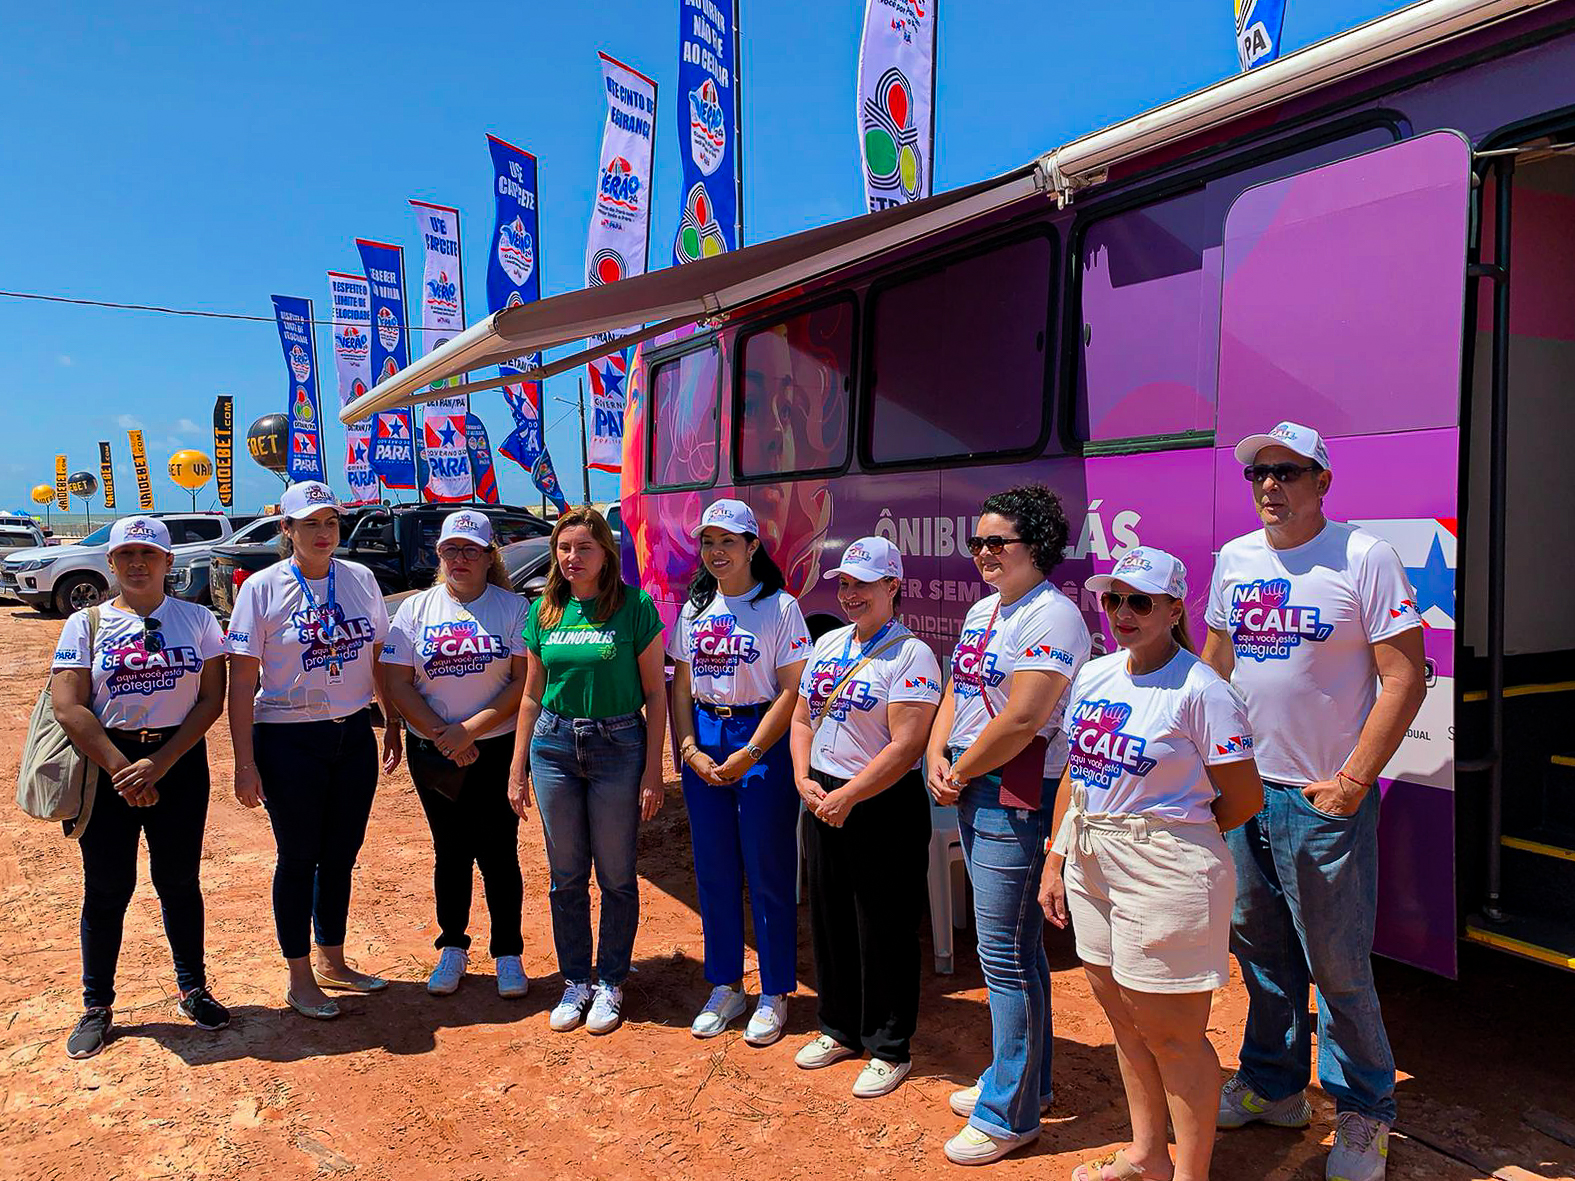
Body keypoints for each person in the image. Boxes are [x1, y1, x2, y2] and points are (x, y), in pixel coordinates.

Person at [1203, 422, 1426, 1181]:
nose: (1270, 485)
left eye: (1288, 471)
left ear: (1322, 481)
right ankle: (1273, 1086)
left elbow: (1404, 677)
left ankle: (1364, 1109)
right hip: (1243, 792)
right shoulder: (1235, 558)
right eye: (1258, 473)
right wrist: (1208, 770)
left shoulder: (1364, 556)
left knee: (1337, 966)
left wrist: (1353, 781)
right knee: (1260, 953)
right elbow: (1214, 670)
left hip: (1319, 799)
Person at [1040, 547, 1265, 1181]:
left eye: (1140, 601)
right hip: (1091, 856)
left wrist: (1170, 841)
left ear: (1174, 609)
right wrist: (1057, 856)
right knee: (1126, 1021)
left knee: (1174, 1036)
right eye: (1113, 599)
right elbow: (1078, 775)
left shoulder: (1202, 689)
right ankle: (1147, 1155)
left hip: (1165, 870)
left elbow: (1243, 798)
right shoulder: (1094, 674)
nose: (1123, 612)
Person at [925, 484, 1092, 1166]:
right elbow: (956, 690)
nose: (984, 553)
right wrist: (936, 753)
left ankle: (1008, 1115)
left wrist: (959, 768)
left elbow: (1025, 717)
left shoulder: (1054, 615)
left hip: (1014, 790)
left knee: (1004, 956)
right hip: (974, 781)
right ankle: (1025, 1082)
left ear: (1037, 545)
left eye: (998, 541)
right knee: (1014, 952)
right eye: (978, 542)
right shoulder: (983, 609)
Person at [50, 516, 229, 1059]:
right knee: (107, 888)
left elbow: (211, 700)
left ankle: (193, 989)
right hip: (107, 767)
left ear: (168, 562)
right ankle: (96, 1005)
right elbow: (68, 705)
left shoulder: (197, 619)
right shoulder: (85, 624)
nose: (137, 563)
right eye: (126, 554)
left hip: (178, 763)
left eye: (148, 554)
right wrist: (120, 768)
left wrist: (160, 763)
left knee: (179, 881)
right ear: (110, 562)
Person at [227, 480, 401, 1021]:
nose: (323, 533)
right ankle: (299, 977)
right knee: (299, 857)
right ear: (287, 529)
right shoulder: (261, 588)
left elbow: (377, 655)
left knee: (341, 855)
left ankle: (333, 960)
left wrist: (391, 721)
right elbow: (241, 682)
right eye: (309, 524)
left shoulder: (360, 579)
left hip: (352, 735)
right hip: (287, 738)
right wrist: (244, 763)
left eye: (330, 522)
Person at [788, 537, 941, 1098]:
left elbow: (907, 745)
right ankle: (839, 1028)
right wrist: (802, 777)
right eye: (845, 584)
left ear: (893, 586)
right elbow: (801, 717)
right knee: (830, 918)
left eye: (863, 585)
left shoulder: (912, 655)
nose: (850, 595)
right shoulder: (829, 642)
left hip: (881, 801)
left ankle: (889, 1045)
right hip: (822, 793)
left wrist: (850, 794)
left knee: (884, 925)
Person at [509, 506, 666, 1035]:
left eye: (584, 547)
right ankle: (576, 980)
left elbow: (655, 693)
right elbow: (531, 695)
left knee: (617, 874)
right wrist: (517, 769)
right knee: (566, 876)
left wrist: (653, 770)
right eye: (564, 547)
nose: (572, 557)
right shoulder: (544, 610)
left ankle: (611, 981)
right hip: (553, 747)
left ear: (606, 553)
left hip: (618, 746)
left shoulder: (634, 606)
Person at [669, 498, 810, 1045]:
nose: (716, 552)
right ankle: (726, 984)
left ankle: (774, 991)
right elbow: (681, 686)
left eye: (728, 541)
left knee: (768, 868)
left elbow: (794, 690)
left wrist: (751, 752)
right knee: (714, 870)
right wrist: (688, 747)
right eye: (708, 542)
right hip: (705, 741)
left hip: (760, 742)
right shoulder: (695, 607)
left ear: (752, 546)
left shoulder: (779, 607)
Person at [384, 510, 530, 999]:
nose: (460, 558)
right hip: (434, 751)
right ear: (439, 554)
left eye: (471, 550)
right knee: (450, 851)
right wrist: (443, 736)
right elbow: (398, 683)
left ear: (490, 556)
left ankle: (508, 952)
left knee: (499, 852)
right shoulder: (415, 609)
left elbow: (522, 682)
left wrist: (469, 731)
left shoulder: (514, 608)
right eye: (451, 549)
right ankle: (452, 946)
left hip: (495, 746)